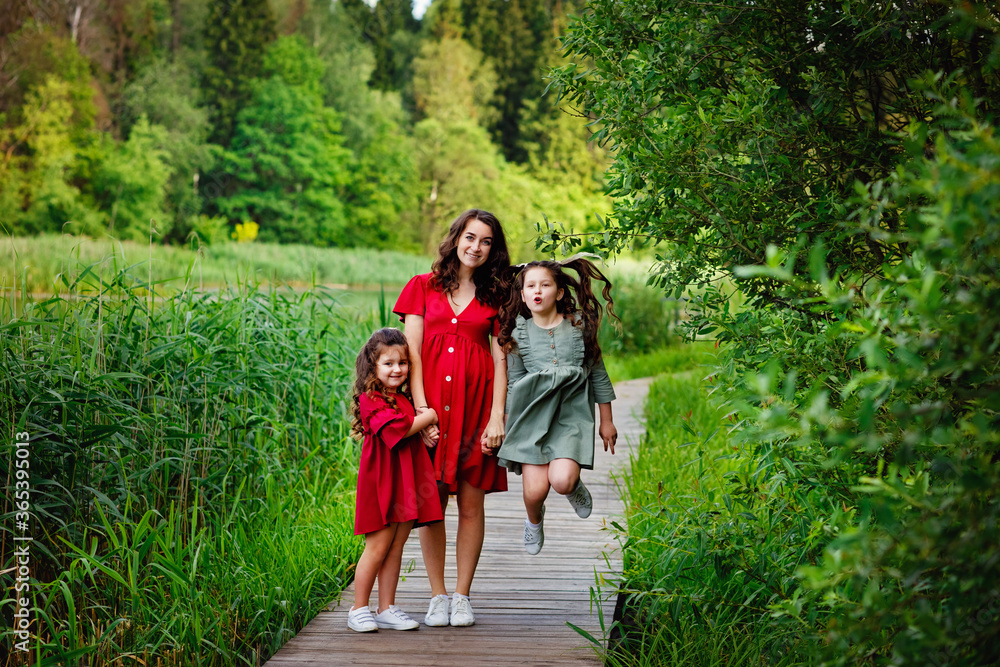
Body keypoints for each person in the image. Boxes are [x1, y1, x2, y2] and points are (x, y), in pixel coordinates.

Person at [393, 208, 511, 627]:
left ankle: (462, 596)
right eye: (470, 237)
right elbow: (410, 352)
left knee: (472, 503)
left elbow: (501, 360)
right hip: (431, 412)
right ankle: (437, 595)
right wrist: (422, 412)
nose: (476, 247)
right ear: (456, 237)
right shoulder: (422, 286)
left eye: (486, 241)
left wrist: (497, 417)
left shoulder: (497, 296)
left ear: (493, 250)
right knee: (434, 503)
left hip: (476, 410)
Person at [494, 257, 619, 555]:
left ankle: (573, 487)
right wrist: (508, 426)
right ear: (523, 295)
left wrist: (606, 420)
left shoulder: (578, 325)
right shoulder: (517, 334)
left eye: (545, 285)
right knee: (534, 491)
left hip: (571, 417)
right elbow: (514, 384)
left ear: (560, 292)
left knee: (561, 481)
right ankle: (534, 521)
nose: (537, 291)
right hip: (532, 419)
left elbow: (598, 373)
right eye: (531, 286)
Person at [347, 328, 444, 633]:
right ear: (372, 366)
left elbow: (410, 431)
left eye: (402, 363)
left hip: (405, 484)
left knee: (396, 546)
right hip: (382, 486)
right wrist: (429, 417)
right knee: (377, 547)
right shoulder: (370, 399)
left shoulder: (401, 399)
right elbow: (398, 431)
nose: (397, 369)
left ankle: (386, 608)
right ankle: (358, 608)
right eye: (388, 363)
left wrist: (424, 433)